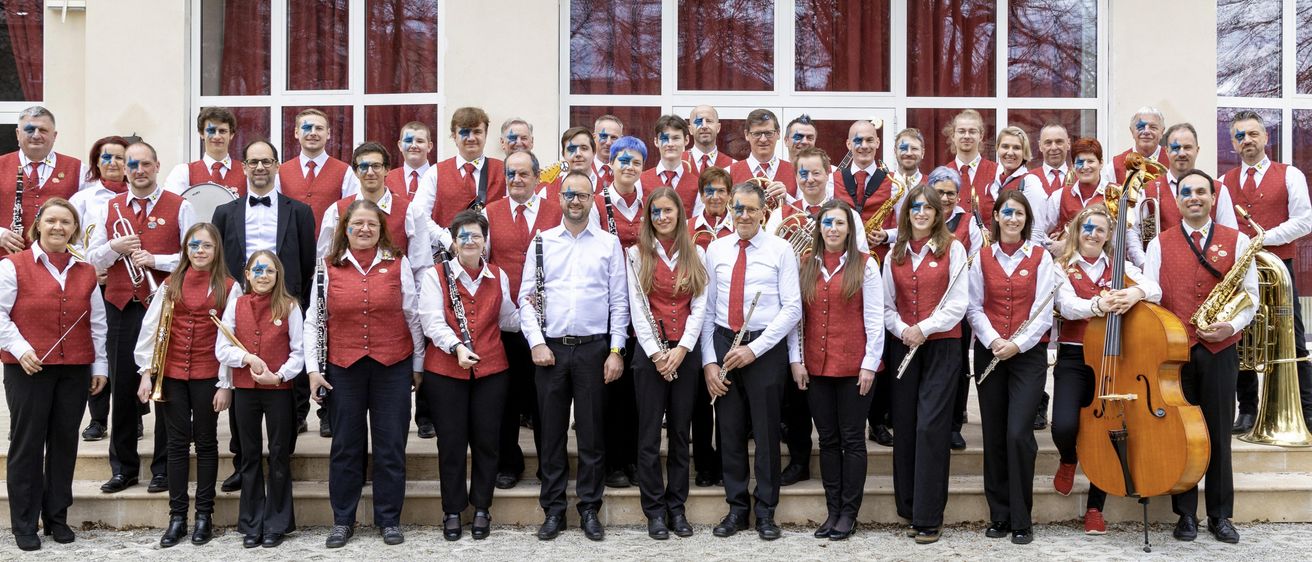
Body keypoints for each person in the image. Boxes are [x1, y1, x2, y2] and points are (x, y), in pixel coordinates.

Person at [1145, 169, 1257, 545]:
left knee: (1219, 433)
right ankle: (1186, 515)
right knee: (1181, 435)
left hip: (1221, 349)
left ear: (1213, 198)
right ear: (1177, 201)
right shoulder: (1159, 243)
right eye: (1186, 192)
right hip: (1176, 353)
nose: (1194, 197)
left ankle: (1221, 515)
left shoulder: (1238, 241)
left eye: (1201, 192)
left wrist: (1230, 326)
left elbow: (1251, 297)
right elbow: (1151, 297)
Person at [306, 199, 424, 549]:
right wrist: (313, 369)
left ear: (381, 228)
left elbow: (413, 315)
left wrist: (418, 365)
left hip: (393, 366)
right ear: (345, 228)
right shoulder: (327, 267)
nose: (364, 229)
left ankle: (389, 519)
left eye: (371, 224)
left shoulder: (398, 264)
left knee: (390, 446)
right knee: (345, 446)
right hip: (344, 368)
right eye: (357, 223)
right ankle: (343, 519)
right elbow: (314, 319)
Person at [518, 170, 628, 541]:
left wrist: (616, 351)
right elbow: (526, 300)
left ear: (592, 197)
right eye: (569, 195)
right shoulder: (541, 242)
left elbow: (619, 303)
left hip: (595, 350)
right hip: (550, 349)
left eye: (582, 195)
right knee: (550, 436)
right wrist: (535, 342)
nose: (575, 201)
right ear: (560, 198)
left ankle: (589, 509)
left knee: (593, 436)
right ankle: (553, 511)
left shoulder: (609, 244)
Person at [86, 141, 195, 496]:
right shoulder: (110, 206)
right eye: (132, 164)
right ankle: (124, 468)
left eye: (145, 164)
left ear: (157, 165)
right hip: (121, 307)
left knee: (164, 390)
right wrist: (113, 249)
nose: (138, 170)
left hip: (164, 308)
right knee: (123, 390)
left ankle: (163, 467)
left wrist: (156, 260)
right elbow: (93, 260)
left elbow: (194, 256)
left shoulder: (181, 206)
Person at [1, 198, 108, 551]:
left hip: (74, 369)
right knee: (27, 445)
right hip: (27, 369)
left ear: (74, 229)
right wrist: (21, 349)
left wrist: (100, 366)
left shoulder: (86, 269)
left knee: (64, 444)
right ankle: (24, 523)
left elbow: (97, 323)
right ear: (39, 226)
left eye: (66, 222)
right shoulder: (12, 266)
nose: (59, 227)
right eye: (51, 221)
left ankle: (57, 517)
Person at [211, 139, 316, 492]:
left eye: (267, 161)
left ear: (276, 166)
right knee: (244, 387)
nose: (259, 168)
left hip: (284, 306)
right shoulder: (225, 213)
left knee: (287, 390)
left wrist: (294, 304)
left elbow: (306, 262)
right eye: (253, 162)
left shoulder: (299, 211)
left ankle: (282, 461)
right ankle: (244, 463)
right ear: (243, 167)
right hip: (240, 306)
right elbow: (221, 264)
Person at [1050, 203, 1160, 536]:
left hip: (1114, 360)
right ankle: (1068, 458)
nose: (1093, 234)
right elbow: (1066, 306)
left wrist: (1134, 293)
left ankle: (1096, 507)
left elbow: (1156, 290)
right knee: (1064, 425)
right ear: (1077, 231)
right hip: (1075, 356)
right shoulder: (1061, 267)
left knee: (1111, 431)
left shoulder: (1121, 267)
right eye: (1088, 228)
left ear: (1108, 235)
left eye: (1100, 229)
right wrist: (1099, 305)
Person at [701, 181, 801, 542]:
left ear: (764, 212)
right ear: (729, 210)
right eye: (737, 208)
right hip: (725, 344)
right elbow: (708, 310)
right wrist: (710, 363)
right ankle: (737, 508)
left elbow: (792, 308)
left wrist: (754, 350)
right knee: (728, 432)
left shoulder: (781, 249)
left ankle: (766, 511)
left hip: (763, 348)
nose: (743, 215)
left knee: (767, 432)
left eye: (750, 209)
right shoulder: (715, 249)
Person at [134, 222, 239, 548]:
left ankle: (204, 515)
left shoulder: (229, 286)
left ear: (216, 249)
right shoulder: (170, 284)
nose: (200, 251)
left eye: (206, 245)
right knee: (177, 446)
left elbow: (232, 336)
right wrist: (145, 372)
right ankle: (177, 516)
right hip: (172, 375)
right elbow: (152, 329)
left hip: (209, 376)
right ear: (186, 249)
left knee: (207, 444)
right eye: (194, 245)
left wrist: (226, 384)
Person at [419, 210, 519, 541]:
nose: (470, 241)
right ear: (454, 241)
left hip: (492, 370)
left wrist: (536, 315)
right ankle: (451, 509)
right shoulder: (436, 276)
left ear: (485, 241)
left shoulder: (498, 276)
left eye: (476, 235)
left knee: (487, 442)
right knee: (451, 443)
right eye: (463, 236)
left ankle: (481, 508)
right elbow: (431, 322)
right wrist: (456, 347)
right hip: (446, 371)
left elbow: (506, 319)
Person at [787, 199, 883, 540]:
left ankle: (849, 512)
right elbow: (796, 319)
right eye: (827, 222)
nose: (833, 228)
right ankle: (832, 511)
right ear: (819, 227)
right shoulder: (804, 264)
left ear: (850, 228)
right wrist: (796, 360)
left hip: (855, 367)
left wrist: (870, 364)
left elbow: (874, 318)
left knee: (853, 440)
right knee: (827, 440)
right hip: (815, 367)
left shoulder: (866, 266)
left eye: (840, 223)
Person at [965, 190, 1057, 545]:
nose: (1013, 219)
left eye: (1019, 213)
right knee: (994, 435)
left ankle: (1023, 517)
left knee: (1018, 433)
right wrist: (993, 342)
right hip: (990, 353)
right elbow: (974, 308)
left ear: (1026, 219)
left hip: (1027, 355)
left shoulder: (1040, 257)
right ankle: (999, 515)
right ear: (997, 217)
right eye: (1007, 212)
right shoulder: (982, 257)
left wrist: (1016, 344)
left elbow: (1043, 309)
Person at [883, 179, 968, 544]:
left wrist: (925, 328)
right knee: (904, 424)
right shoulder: (895, 252)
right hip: (904, 344)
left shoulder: (955, 248)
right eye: (914, 207)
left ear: (938, 214)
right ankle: (909, 506)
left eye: (927, 207)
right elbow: (886, 306)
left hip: (942, 347)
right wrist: (904, 328)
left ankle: (929, 516)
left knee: (930, 427)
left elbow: (958, 303)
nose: (920, 213)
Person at [1221, 110, 1312, 433]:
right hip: (1241, 270)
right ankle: (1247, 410)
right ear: (1233, 144)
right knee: (1243, 339)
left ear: (1266, 138)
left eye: (1253, 134)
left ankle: (1307, 409)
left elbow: (1304, 220)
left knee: (1293, 336)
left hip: (1279, 267)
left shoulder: (1290, 175)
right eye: (1240, 136)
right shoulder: (1223, 183)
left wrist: (1262, 239)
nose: (1247, 140)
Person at [626, 187, 708, 540]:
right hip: (650, 356)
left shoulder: (697, 252)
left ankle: (677, 508)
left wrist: (683, 349)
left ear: (679, 214)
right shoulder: (635, 254)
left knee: (679, 434)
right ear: (649, 216)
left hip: (684, 355)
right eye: (655, 212)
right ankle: (655, 512)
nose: (662, 217)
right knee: (647, 437)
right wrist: (658, 354)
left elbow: (701, 305)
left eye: (668, 211)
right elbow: (636, 307)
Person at [483, 150, 561, 489]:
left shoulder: (556, 212)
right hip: (504, 323)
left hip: (547, 324)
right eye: (511, 174)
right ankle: (508, 463)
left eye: (524, 174)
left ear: (536, 177)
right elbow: (482, 264)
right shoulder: (490, 213)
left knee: (546, 400)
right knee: (505, 399)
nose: (517, 180)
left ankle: (550, 464)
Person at [216, 251, 302, 548]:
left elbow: (299, 353)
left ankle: (277, 522)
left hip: (278, 390)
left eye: (269, 270)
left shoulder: (290, 306)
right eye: (257, 269)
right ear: (248, 275)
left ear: (278, 275)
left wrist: (278, 376)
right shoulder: (236, 304)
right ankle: (252, 521)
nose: (263, 275)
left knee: (279, 453)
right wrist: (246, 357)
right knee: (249, 455)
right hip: (246, 391)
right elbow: (222, 349)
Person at [72, 135, 130, 441]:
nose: (113, 163)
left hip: (130, 287)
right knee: (98, 347)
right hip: (96, 285)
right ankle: (97, 417)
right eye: (106, 157)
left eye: (119, 157)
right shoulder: (82, 199)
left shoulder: (139, 195)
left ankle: (130, 416)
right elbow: (69, 243)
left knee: (128, 353)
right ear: (96, 162)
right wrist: (92, 272)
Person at [317, 142, 434, 277]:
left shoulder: (410, 212)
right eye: (364, 167)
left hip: (395, 294)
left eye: (376, 166)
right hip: (346, 294)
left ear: (387, 169)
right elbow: (323, 262)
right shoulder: (337, 211)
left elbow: (421, 267)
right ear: (355, 171)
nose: (370, 172)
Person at [1045, 138, 1145, 267]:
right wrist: (1053, 245)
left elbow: (1130, 237)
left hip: (1109, 268)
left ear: (1101, 163)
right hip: (1070, 270)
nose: (1085, 167)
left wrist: (1143, 265)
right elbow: (1038, 231)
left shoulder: (1118, 194)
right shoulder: (1058, 196)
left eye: (1090, 161)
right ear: (1073, 165)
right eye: (1080, 162)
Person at [414, 107, 507, 242]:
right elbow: (419, 216)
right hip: (448, 257)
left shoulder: (504, 171)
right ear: (454, 136)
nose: (471, 138)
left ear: (486, 135)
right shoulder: (434, 173)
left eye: (477, 132)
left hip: (492, 256)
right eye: (464, 132)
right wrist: (447, 241)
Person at [1, 106, 87, 251]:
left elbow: (91, 217)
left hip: (60, 263)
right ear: (17, 134)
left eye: (43, 130)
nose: (36, 135)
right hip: (5, 262)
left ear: (54, 135)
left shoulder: (79, 169)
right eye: (29, 129)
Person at [277, 108, 361, 231]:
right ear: (296, 133)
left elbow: (352, 211)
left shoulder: (345, 171)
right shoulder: (280, 171)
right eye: (307, 128)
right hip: (291, 244)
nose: (313, 133)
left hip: (330, 246)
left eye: (319, 128)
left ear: (328, 134)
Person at [163, 107, 246, 196]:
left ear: (231, 135)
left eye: (222, 131)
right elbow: (170, 206)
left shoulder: (246, 171)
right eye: (211, 130)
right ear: (201, 134)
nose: (217, 136)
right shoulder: (183, 172)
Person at [729, 109, 796, 206]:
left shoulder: (796, 172)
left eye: (768, 133)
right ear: (746, 135)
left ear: (778, 133)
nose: (763, 139)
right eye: (757, 134)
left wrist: (787, 198)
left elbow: (805, 212)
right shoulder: (729, 172)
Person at [942, 109, 997, 221]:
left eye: (972, 131)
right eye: (961, 131)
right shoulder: (942, 174)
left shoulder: (996, 172)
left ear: (981, 135)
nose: (966, 136)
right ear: (953, 135)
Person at [640, 115, 701, 215]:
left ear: (686, 140)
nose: (670, 144)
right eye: (664, 138)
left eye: (676, 138)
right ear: (656, 141)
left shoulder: (697, 185)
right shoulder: (640, 180)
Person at [1103, 107, 1169, 186]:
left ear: (1162, 132)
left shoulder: (1173, 161)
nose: (1146, 131)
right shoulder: (1114, 166)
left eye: (1153, 127)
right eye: (1140, 127)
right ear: (1132, 131)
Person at [541, 126, 597, 200]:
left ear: (594, 152)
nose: (578, 154)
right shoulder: (546, 193)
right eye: (571, 149)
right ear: (563, 154)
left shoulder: (610, 189)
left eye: (584, 148)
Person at [384, 121, 434, 200]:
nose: (413, 145)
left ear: (429, 146)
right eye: (408, 141)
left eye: (419, 141)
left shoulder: (438, 177)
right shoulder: (386, 180)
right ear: (400, 146)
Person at [691, 167, 734, 251]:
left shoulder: (739, 228)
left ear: (729, 195)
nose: (715, 197)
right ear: (701, 196)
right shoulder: (685, 227)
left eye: (721, 191)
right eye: (709, 191)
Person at [685, 105, 735, 175]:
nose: (704, 126)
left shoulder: (733, 166)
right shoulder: (678, 163)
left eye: (709, 121)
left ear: (718, 128)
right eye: (698, 121)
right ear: (690, 129)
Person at [1032, 123, 1071, 195]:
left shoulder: (1080, 179)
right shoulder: (1029, 179)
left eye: (1059, 142)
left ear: (1068, 144)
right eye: (1048, 143)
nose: (1054, 148)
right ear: (1040, 146)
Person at [592, 115, 624, 189]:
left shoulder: (628, 172)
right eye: (603, 136)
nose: (608, 142)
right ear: (594, 138)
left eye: (614, 137)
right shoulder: (582, 169)